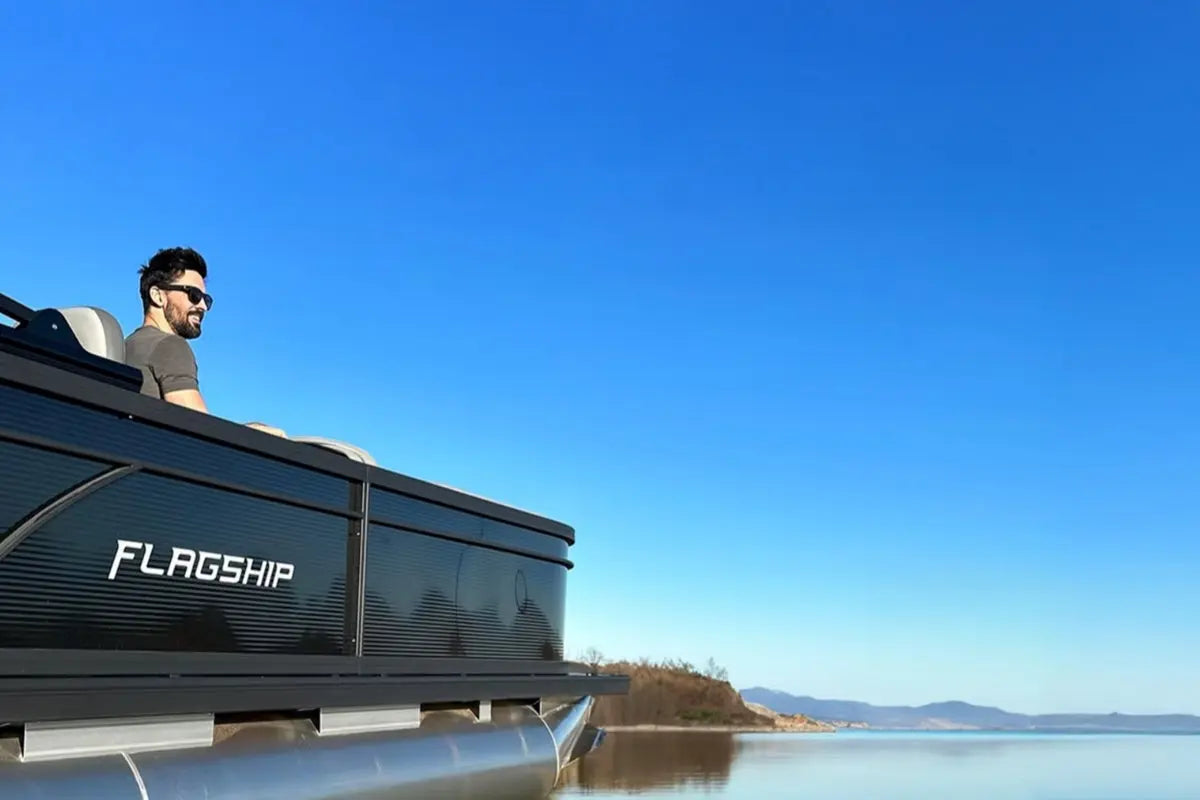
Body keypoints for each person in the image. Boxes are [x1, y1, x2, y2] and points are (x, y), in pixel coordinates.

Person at [124, 246, 286, 437]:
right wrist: (252, 435)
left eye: (205, 299)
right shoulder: (170, 346)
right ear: (158, 296)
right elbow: (201, 431)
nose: (202, 306)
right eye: (193, 295)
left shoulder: (127, 346)